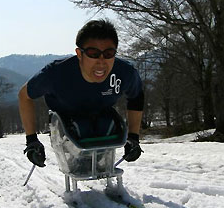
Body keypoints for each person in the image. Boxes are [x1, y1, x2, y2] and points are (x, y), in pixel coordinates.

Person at [18, 19, 144, 168]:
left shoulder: (125, 73)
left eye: (108, 53)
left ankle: (101, 166)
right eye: (93, 53)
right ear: (79, 53)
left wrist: (134, 137)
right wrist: (32, 140)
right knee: (80, 127)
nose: (101, 62)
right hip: (66, 122)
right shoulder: (56, 73)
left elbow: (136, 97)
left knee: (107, 124)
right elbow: (24, 95)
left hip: (102, 118)